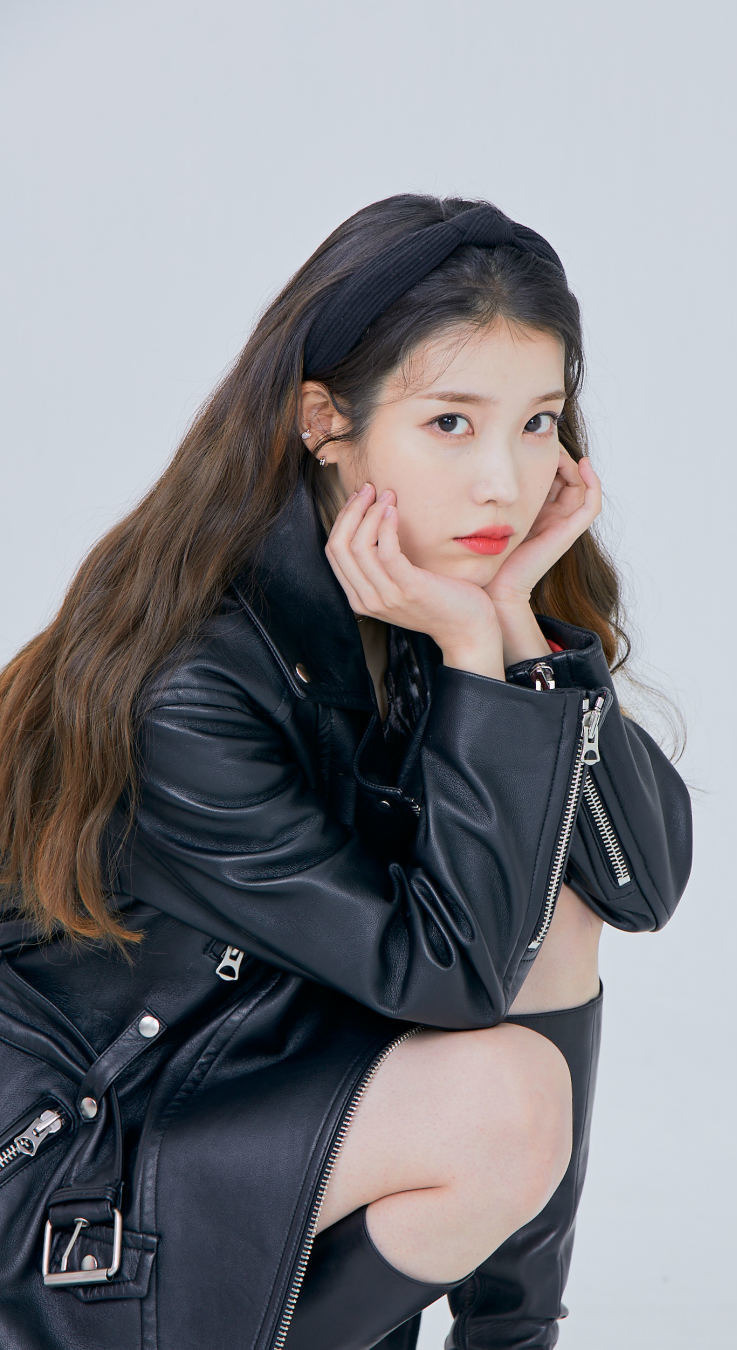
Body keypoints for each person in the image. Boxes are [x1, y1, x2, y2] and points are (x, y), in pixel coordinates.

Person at [0, 194, 693, 1350]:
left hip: (253, 1086)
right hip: (86, 1158)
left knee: (558, 893)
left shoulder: (426, 607)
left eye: (537, 423)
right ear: (326, 422)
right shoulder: (192, 686)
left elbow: (638, 887)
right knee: (503, 1103)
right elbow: (453, 982)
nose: (505, 482)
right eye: (451, 423)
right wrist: (473, 650)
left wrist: (518, 631)